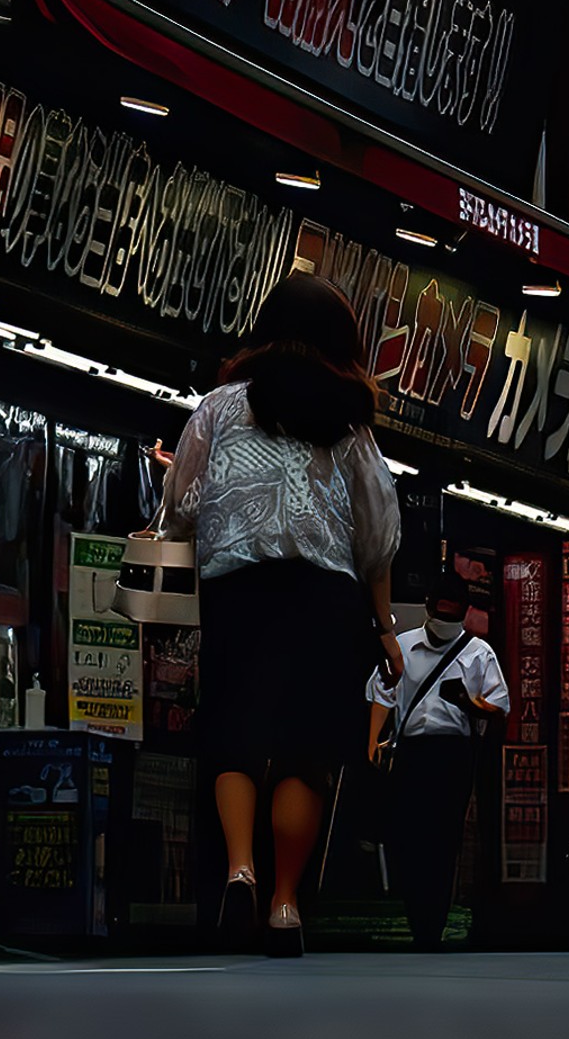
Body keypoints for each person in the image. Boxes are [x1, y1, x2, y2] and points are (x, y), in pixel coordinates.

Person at [161, 269, 402, 955]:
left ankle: (239, 867)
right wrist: (384, 627)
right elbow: (377, 532)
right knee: (305, 749)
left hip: (238, 587)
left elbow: (182, 504)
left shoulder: (219, 406)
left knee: (234, 730)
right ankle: (286, 903)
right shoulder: (347, 424)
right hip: (323, 598)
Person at [368, 570, 510, 945]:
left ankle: (431, 924)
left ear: (463, 614)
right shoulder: (403, 645)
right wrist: (373, 742)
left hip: (452, 753)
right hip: (412, 751)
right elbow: (382, 692)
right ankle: (417, 915)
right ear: (428, 608)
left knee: (444, 839)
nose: (445, 622)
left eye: (453, 616)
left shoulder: (479, 652)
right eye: (441, 614)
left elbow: (499, 708)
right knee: (408, 836)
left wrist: (469, 704)